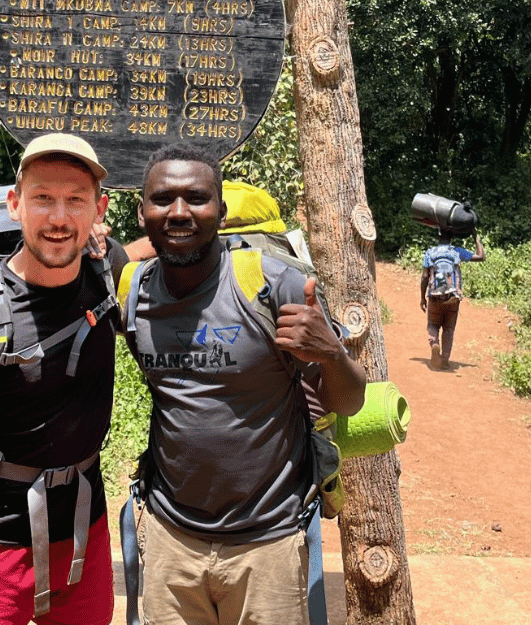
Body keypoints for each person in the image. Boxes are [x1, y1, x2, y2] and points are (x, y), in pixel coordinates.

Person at [123, 143, 367, 625]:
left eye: (197, 198)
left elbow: (350, 401)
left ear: (221, 211)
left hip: (267, 543)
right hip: (171, 539)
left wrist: (331, 352)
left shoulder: (273, 286)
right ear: (142, 213)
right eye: (162, 199)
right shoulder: (135, 293)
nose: (179, 212)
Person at [0, 133, 129, 625]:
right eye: (43, 198)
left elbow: (167, 270)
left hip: (84, 534)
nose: (59, 218)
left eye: (76, 201)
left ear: (99, 210)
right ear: (15, 205)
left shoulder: (107, 273)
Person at [419, 230, 485, 370]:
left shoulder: (430, 253)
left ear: (438, 237)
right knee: (449, 328)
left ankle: (435, 344)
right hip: (452, 298)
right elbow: (481, 256)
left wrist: (422, 298)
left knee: (433, 324)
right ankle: (444, 360)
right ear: (451, 237)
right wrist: (476, 237)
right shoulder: (456, 251)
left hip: (435, 297)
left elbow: (425, 276)